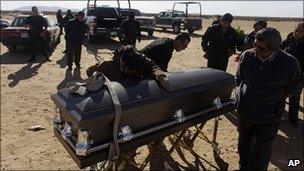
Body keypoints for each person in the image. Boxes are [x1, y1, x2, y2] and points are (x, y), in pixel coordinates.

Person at [235, 27, 302, 171]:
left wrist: (277, 97)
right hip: (245, 114)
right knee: (243, 148)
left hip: (268, 117)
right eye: (254, 44)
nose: (255, 49)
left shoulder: (289, 63)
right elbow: (239, 78)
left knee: (261, 153)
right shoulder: (247, 56)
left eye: (260, 47)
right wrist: (244, 95)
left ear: (274, 49)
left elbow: (295, 87)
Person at [86, 45, 170, 90]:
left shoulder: (141, 58)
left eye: (134, 72)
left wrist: (161, 76)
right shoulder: (107, 64)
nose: (131, 74)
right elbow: (89, 72)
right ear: (123, 64)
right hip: (116, 90)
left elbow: (153, 66)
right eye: (130, 72)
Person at [281, 22, 304, 127]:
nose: (298, 33)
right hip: (283, 75)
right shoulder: (286, 42)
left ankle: (293, 119)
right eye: (297, 31)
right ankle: (277, 116)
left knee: (295, 98)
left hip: (298, 76)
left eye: (301, 32)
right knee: (280, 96)